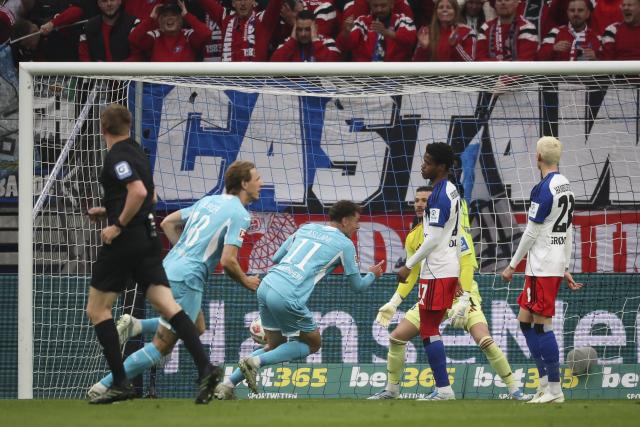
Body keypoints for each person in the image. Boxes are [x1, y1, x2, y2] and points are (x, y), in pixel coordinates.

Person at [88, 160, 263, 401]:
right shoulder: (240, 215)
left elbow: (167, 222)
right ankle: (104, 385)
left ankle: (136, 325)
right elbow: (229, 260)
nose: (260, 183)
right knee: (162, 346)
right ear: (244, 183)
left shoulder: (208, 201)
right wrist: (247, 282)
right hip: (188, 276)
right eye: (256, 178)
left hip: (170, 266)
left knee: (197, 327)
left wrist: (183, 250)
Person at [85, 103, 221, 404]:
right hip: (148, 239)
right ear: (129, 126)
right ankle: (206, 367)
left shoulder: (116, 156)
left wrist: (116, 224)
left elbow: (139, 193)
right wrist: (108, 209)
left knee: (98, 310)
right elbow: (151, 195)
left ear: (102, 129)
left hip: (125, 242)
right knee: (168, 306)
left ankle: (120, 382)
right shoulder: (138, 152)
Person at [370, 182, 529, 400]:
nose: (419, 204)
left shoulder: (456, 234)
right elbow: (412, 273)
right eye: (417, 200)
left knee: (484, 340)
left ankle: (515, 390)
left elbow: (466, 266)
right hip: (433, 293)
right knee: (397, 337)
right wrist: (394, 301)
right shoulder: (414, 237)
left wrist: (463, 300)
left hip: (458, 295)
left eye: (424, 200)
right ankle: (391, 390)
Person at [214, 200, 384, 399]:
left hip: (267, 284)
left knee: (273, 346)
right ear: (345, 220)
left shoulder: (307, 227)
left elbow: (277, 257)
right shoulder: (345, 245)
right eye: (356, 221)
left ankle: (226, 385)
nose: (358, 226)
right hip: (288, 294)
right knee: (313, 344)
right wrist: (373, 274)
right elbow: (357, 287)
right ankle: (255, 363)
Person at [502, 136, 582, 404]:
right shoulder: (566, 186)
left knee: (542, 327)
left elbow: (531, 232)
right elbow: (568, 230)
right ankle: (544, 383)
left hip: (542, 266)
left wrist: (512, 265)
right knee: (524, 322)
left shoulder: (543, 189)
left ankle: (555, 390)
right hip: (552, 264)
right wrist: (566, 265)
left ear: (538, 157)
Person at [394, 142, 460, 401]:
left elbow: (432, 239)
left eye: (428, 161)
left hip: (437, 270)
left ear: (441, 166)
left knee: (429, 328)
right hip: (447, 267)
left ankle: (444, 390)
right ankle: (443, 389)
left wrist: (408, 265)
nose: (423, 165)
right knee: (430, 327)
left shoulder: (439, 195)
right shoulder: (452, 189)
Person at [197, 0, 284, 61]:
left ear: (253, 1)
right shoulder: (226, 18)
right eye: (239, 0)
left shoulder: (263, 20)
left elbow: (276, 2)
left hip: (255, 83)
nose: (243, 3)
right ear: (233, 3)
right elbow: (205, 2)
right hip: (228, 82)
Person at [128, 0, 212, 62]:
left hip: (184, 84)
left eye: (174, 15)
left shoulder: (187, 35)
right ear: (159, 20)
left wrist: (187, 15)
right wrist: (151, 18)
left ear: (180, 19)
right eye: (165, 15)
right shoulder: (155, 36)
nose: (169, 18)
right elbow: (133, 38)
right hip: (158, 84)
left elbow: (207, 34)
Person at [337, 0, 416, 61]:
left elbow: (411, 40)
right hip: (365, 74)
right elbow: (345, 46)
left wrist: (386, 32)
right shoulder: (361, 21)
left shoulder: (404, 20)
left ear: (391, 4)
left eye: (383, 5)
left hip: (396, 73)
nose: (379, 9)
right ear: (370, 6)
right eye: (375, 6)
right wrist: (346, 32)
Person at [271, 9, 341, 61]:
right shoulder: (289, 43)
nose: (303, 34)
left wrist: (315, 41)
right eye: (300, 29)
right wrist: (292, 41)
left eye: (307, 29)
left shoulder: (327, 42)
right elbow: (274, 62)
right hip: (294, 80)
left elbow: (333, 63)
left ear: (315, 28)